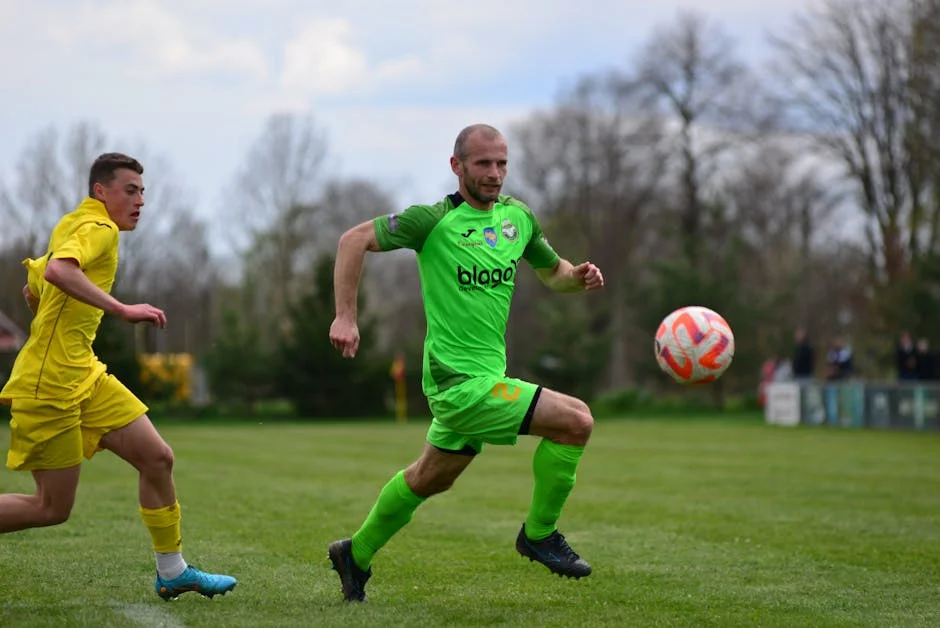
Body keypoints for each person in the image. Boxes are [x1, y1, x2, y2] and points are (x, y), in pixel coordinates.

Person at [327, 124, 604, 602]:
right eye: (483, 164)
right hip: (456, 384)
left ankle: (356, 553)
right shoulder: (431, 221)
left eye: (501, 163)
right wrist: (346, 317)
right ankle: (539, 535)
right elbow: (353, 240)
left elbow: (553, 272)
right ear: (457, 167)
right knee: (576, 420)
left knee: (430, 477)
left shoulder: (517, 219)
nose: (494, 174)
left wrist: (577, 277)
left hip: (486, 379)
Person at [0, 153, 236, 601]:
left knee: (157, 458)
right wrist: (122, 308)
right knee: (51, 508)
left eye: (143, 192)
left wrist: (48, 312)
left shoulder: (73, 223)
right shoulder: (100, 229)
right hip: (50, 384)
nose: (141, 200)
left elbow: (35, 283)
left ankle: (173, 571)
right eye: (130, 190)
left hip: (83, 374)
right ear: (100, 192)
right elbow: (57, 270)